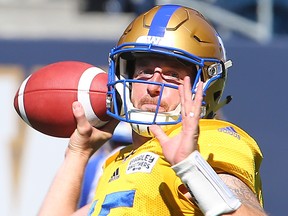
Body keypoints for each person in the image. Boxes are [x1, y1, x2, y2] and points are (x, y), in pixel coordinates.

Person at [38, 4, 267, 216]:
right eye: (144, 71)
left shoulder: (213, 138)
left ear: (206, 86)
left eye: (172, 75)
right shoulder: (116, 162)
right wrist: (77, 155)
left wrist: (191, 167)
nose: (152, 86)